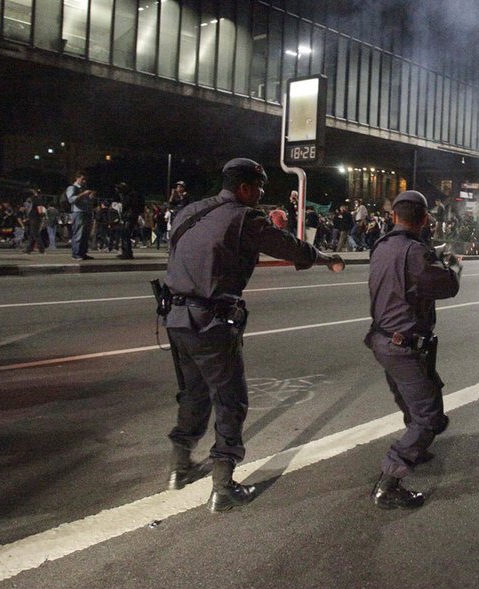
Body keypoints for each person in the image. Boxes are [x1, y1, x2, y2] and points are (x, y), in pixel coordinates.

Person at [162, 158, 345, 512]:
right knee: (230, 399)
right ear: (245, 188)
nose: (260, 195)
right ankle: (223, 487)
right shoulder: (244, 218)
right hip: (211, 322)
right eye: (259, 188)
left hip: (175, 317)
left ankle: (179, 467)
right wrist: (325, 258)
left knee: (193, 393)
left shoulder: (189, 212)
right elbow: (290, 246)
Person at [364, 190, 461, 509]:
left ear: (394, 217)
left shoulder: (382, 245)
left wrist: (431, 254)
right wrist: (452, 266)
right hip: (402, 346)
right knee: (429, 417)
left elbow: (405, 272)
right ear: (424, 220)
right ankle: (390, 482)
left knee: (413, 396)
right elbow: (447, 287)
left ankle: (414, 447)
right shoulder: (416, 253)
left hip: (381, 340)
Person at [66, 171, 96, 260]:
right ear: (77, 178)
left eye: (85, 179)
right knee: (78, 233)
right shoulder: (72, 188)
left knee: (85, 234)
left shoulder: (84, 189)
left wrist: (90, 197)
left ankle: (83, 252)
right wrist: (83, 194)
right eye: (82, 179)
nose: (84, 181)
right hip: (78, 212)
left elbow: (87, 202)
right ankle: (76, 254)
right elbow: (71, 199)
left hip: (86, 212)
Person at [115, 182, 144, 259]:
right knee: (125, 234)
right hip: (131, 216)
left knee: (125, 234)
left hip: (129, 216)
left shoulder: (130, 195)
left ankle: (127, 253)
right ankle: (126, 252)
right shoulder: (132, 194)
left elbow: (126, 204)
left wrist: (122, 196)